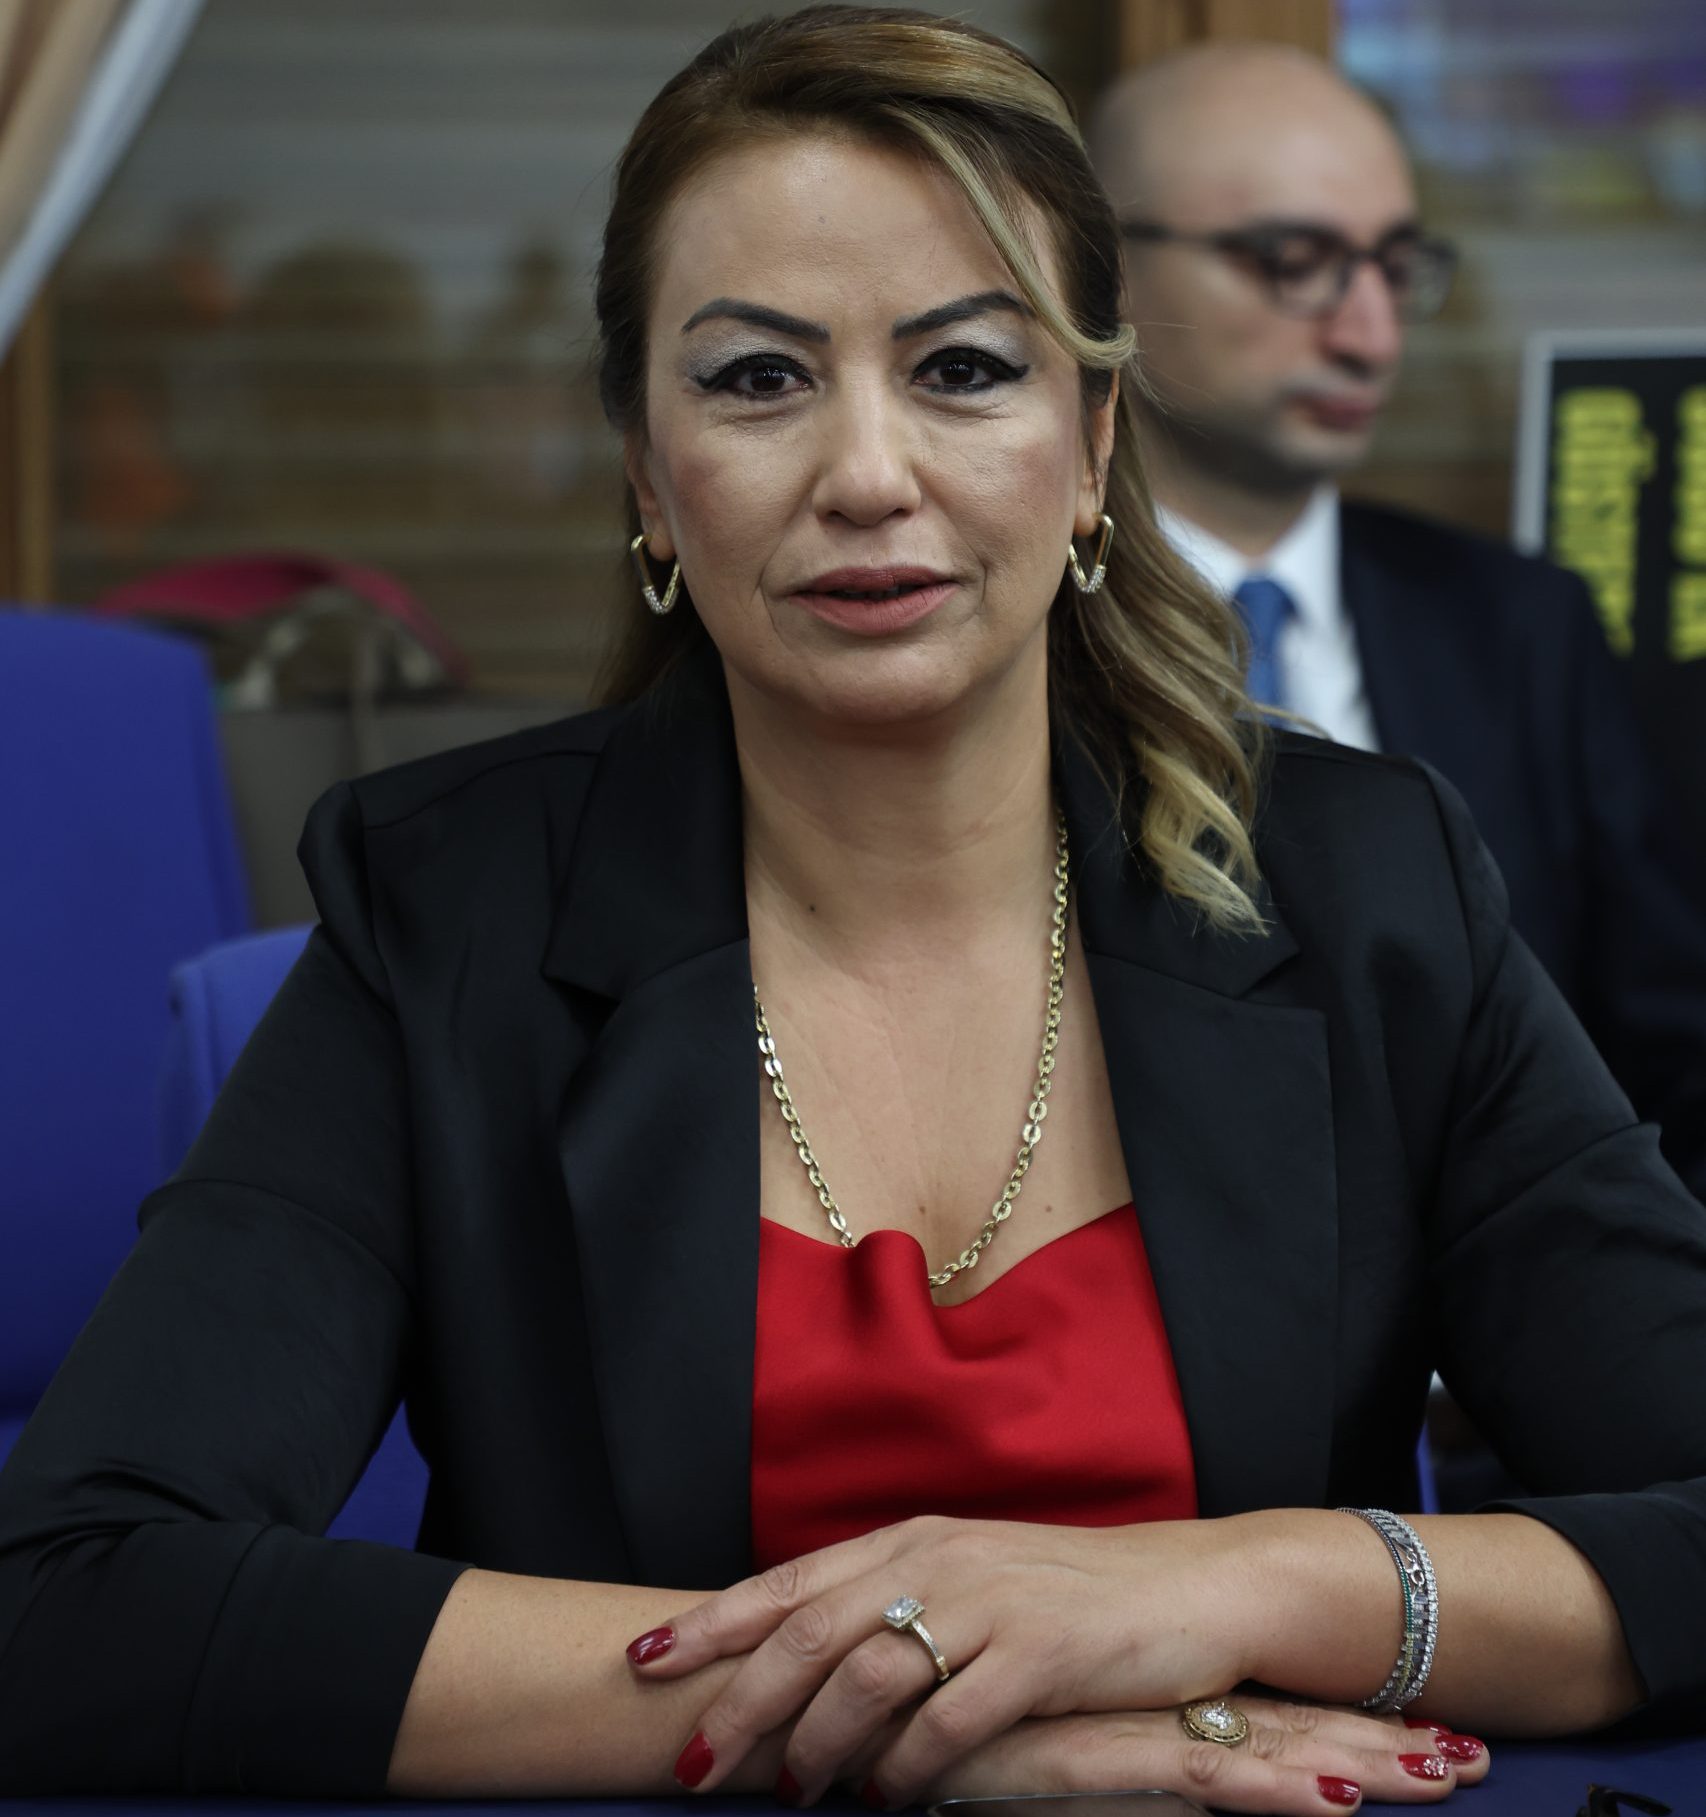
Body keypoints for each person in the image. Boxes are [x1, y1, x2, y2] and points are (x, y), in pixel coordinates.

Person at [3, 6, 1706, 1808]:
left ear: (1092, 445)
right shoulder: (446, 914)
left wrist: (1224, 1588)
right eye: (757, 379)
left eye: (963, 368)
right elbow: (64, 1601)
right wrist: (929, 1716)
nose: (868, 474)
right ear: (648, 474)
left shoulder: (1372, 888)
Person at [1088, 45, 1706, 1202]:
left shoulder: (1515, 628)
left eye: (1392, 264)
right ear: (1104, 272)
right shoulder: (1018, 632)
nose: (1369, 334)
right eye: (1294, 262)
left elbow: (1672, 1057)